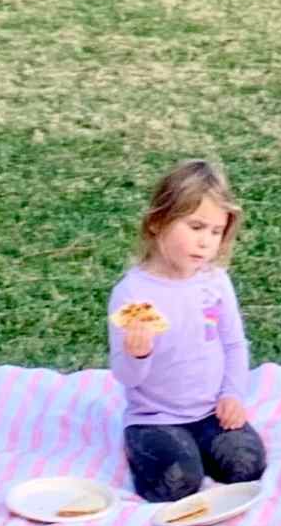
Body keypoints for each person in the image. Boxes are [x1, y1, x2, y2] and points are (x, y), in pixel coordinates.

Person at [108, 157, 268, 505]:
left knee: (247, 465)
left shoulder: (215, 282)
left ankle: (198, 445)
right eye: (195, 227)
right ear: (157, 223)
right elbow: (125, 376)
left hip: (211, 412)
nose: (205, 243)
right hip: (154, 417)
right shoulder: (132, 294)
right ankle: (153, 448)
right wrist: (138, 353)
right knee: (176, 483)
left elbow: (233, 344)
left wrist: (232, 395)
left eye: (215, 232)